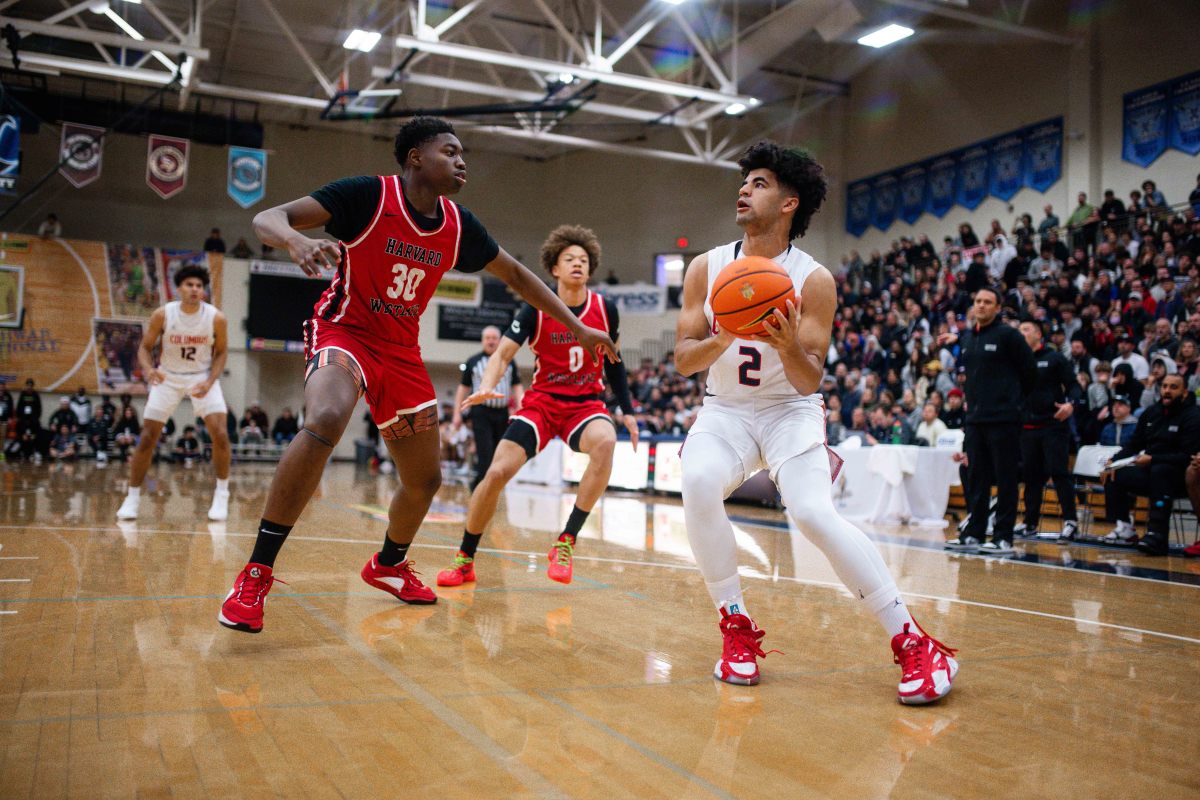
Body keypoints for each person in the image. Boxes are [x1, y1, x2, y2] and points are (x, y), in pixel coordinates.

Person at [217, 116, 616, 634]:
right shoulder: (366, 196)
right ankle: (256, 573)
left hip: (401, 352)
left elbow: (518, 276)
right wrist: (294, 241)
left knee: (424, 479)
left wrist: (578, 328)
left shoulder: (458, 225)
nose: (461, 159)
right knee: (328, 417)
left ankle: (388, 564)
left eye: (462, 152)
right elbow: (269, 217)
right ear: (414, 159)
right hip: (345, 331)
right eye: (449, 151)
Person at [674, 141, 957, 704]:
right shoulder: (706, 266)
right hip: (724, 409)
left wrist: (784, 345)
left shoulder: (815, 279)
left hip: (789, 412)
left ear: (788, 203)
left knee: (812, 513)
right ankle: (735, 629)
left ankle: (914, 640)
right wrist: (721, 338)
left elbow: (808, 381)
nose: (744, 189)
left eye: (759, 183)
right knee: (698, 482)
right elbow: (684, 361)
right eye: (745, 181)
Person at [437, 224, 637, 587]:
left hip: (585, 405)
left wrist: (627, 410)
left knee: (606, 442)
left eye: (584, 260)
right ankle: (465, 558)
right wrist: (485, 385)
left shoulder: (606, 309)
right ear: (554, 269)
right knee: (495, 473)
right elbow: (502, 354)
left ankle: (566, 540)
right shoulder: (534, 309)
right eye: (569, 259)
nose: (578, 264)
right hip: (542, 403)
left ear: (590, 270)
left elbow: (614, 363)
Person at [115, 265, 232, 522]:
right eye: (190, 285)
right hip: (167, 376)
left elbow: (222, 352)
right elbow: (145, 348)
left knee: (221, 434)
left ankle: (222, 494)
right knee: (147, 437)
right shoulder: (163, 314)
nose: (195, 289)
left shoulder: (216, 318)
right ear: (179, 288)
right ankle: (132, 497)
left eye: (199, 286)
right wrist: (148, 370)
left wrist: (211, 380)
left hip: (201, 377)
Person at [939, 287, 1036, 554]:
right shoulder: (968, 338)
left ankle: (1003, 536)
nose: (981, 305)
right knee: (976, 478)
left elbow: (1029, 371)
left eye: (987, 302)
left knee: (1005, 479)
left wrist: (1015, 403)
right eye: (978, 301)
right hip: (975, 420)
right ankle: (975, 533)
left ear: (997, 307)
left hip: (1004, 419)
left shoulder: (1009, 336)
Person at [1100, 375, 1200, 554]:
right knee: (1115, 474)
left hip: (1179, 475)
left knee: (1161, 471)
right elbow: (1134, 444)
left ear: (1184, 392)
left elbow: (1187, 456)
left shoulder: (1193, 416)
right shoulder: (1152, 412)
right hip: (1151, 469)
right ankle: (1125, 529)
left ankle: (1157, 535)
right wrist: (1113, 462)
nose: (1167, 391)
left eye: (1173, 387)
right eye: (1165, 386)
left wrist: (1153, 459)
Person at [1013, 321, 1080, 541]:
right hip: (1027, 427)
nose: (1021, 333)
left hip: (1053, 425)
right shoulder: (1018, 361)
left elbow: (1074, 385)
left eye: (1026, 329)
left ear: (1038, 334)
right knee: (1031, 477)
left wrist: (1071, 404)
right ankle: (1030, 523)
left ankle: (1070, 521)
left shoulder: (1054, 358)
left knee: (1059, 473)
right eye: (1020, 330)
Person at [453, 325, 522, 490]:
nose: (491, 341)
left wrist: (521, 407)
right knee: (485, 452)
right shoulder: (473, 361)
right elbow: (462, 388)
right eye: (488, 338)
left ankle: (489, 486)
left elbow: (517, 386)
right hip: (481, 412)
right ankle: (480, 489)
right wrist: (457, 413)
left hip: (502, 413)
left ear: (500, 341)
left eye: (494, 338)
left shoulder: (510, 361)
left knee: (500, 453)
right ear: (482, 341)